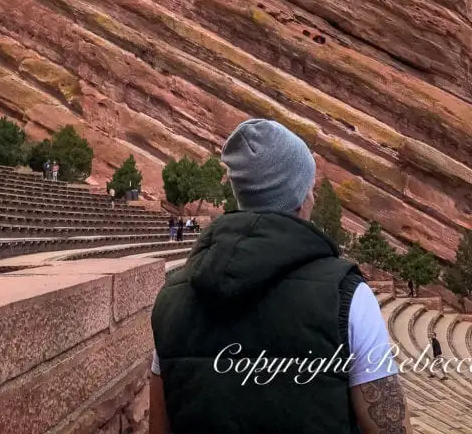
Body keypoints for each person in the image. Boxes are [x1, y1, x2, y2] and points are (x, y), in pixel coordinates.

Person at [149, 119, 409, 434]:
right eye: (310, 188)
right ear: (300, 198)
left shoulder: (172, 297)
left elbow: (159, 428)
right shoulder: (348, 296)